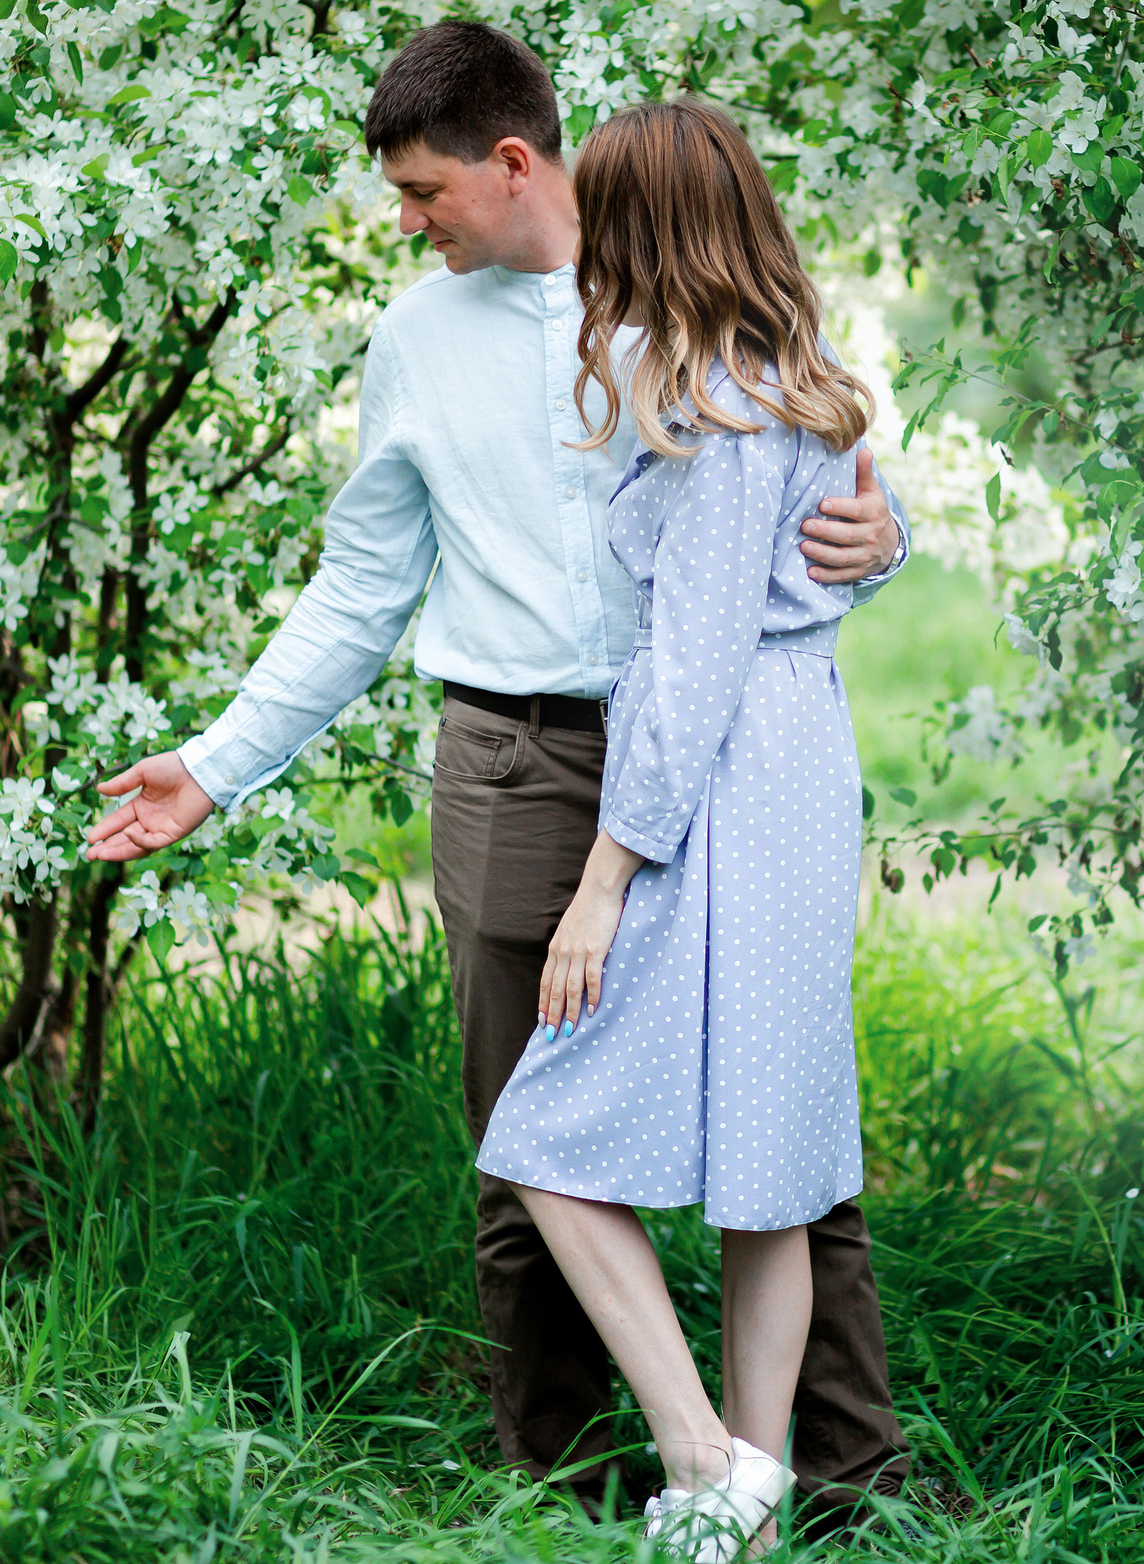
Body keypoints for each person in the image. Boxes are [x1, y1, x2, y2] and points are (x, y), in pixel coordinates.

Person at [81, 22, 913, 1524]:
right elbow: (359, 587)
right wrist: (218, 765)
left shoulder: (682, 274)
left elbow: (808, 477)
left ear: (512, 163)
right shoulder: (417, 342)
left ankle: (837, 1485)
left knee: (781, 1129)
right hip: (523, 761)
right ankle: (578, 1482)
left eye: (422, 191)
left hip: (717, 768)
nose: (408, 222)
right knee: (534, 1133)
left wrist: (887, 533)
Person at [471, 97, 875, 1562]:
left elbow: (693, 667)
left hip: (722, 784)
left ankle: (706, 1459)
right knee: (769, 1165)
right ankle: (744, 1510)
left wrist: (602, 881)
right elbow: (825, 564)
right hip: (800, 763)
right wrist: (882, 554)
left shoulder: (715, 416)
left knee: (546, 1137)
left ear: (649, 230)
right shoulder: (793, 376)